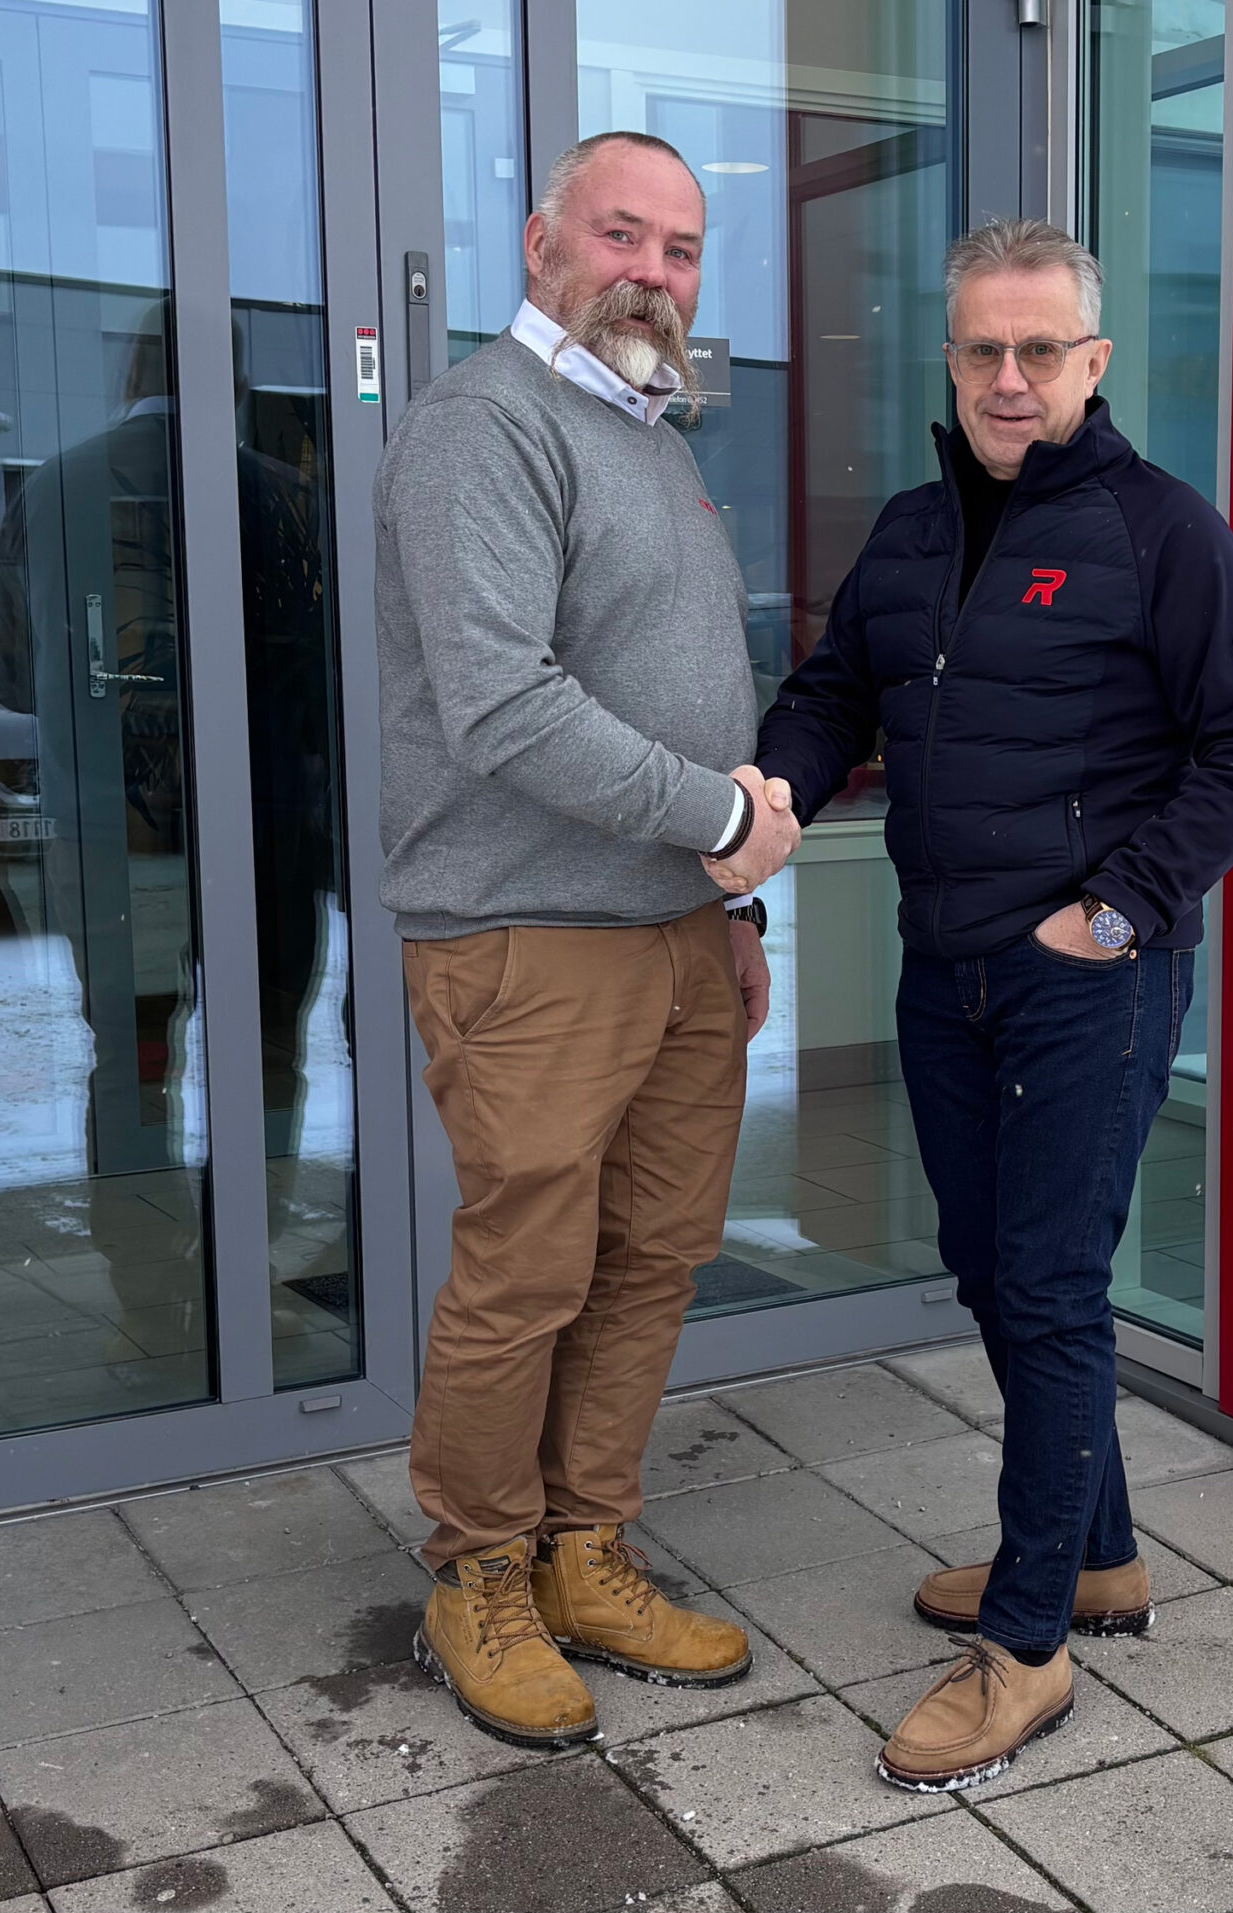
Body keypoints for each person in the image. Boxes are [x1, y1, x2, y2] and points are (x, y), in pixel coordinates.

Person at [753, 217, 1233, 1790]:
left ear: (1093, 361)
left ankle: (1027, 1639)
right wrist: (777, 784)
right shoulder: (914, 533)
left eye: (1039, 350)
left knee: (1052, 1286)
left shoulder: (1162, 531)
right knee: (994, 1270)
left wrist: (1118, 907)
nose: (1010, 377)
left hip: (1091, 981)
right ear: (951, 361)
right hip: (947, 967)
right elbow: (833, 693)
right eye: (983, 349)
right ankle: (1100, 1556)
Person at [374, 129, 800, 1747]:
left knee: (651, 1258)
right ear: (543, 242)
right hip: (528, 937)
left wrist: (728, 899)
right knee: (529, 1270)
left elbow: (668, 685)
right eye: (623, 236)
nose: (654, 273)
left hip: (675, 927)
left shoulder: (648, 435)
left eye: (681, 250)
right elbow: (502, 704)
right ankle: (478, 1570)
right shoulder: (484, 425)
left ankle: (584, 1545)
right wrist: (717, 817)